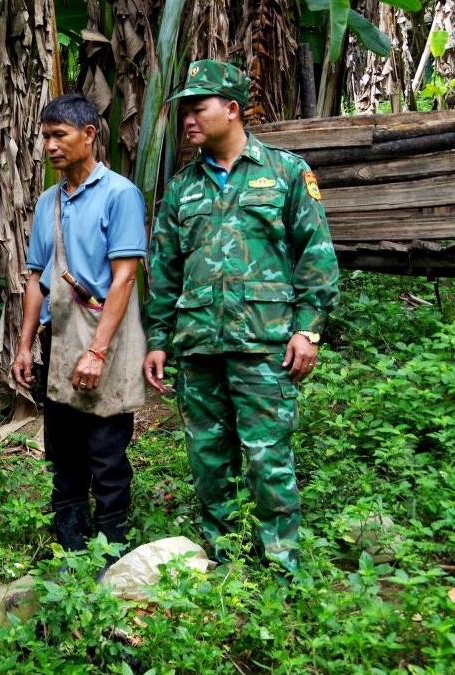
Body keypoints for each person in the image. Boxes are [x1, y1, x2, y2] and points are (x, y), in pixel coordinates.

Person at [142, 59, 340, 574]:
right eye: (183, 110)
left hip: (265, 346)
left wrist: (308, 329)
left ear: (231, 110)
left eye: (197, 108)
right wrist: (159, 340)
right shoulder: (181, 189)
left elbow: (315, 256)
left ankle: (281, 568)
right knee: (209, 462)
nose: (187, 119)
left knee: (267, 461)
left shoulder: (286, 172)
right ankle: (224, 562)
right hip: (199, 347)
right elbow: (164, 270)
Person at [11, 93, 148, 558]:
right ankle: (69, 542)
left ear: (89, 135)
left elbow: (125, 276)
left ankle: (112, 546)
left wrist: (97, 351)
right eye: (45, 136)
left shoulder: (119, 194)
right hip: (60, 335)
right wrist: (26, 345)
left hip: (105, 335)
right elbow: (36, 279)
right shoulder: (48, 202)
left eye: (59, 136)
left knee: (106, 449)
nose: (49, 146)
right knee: (63, 445)